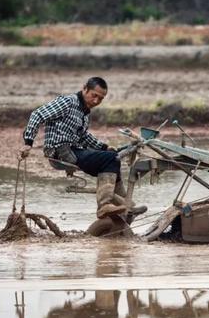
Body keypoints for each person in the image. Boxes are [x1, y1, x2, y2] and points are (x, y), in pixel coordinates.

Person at [19, 76, 145, 219]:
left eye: (101, 99)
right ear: (85, 89)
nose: (96, 101)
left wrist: (104, 147)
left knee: (113, 160)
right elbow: (37, 115)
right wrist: (28, 143)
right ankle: (104, 206)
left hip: (74, 150)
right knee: (110, 159)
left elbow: (83, 136)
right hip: (60, 151)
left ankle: (126, 206)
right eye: (94, 96)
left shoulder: (84, 113)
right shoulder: (68, 102)